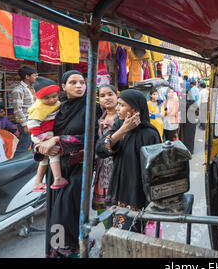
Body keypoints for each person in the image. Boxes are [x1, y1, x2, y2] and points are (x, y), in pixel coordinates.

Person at [37, 70, 102, 258]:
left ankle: (74, 248)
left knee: (66, 210)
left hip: (79, 166)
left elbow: (91, 138)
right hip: (57, 165)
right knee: (55, 209)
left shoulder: (92, 107)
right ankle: (58, 250)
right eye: (73, 82)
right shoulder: (58, 108)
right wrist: (44, 146)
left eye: (82, 82)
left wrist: (58, 140)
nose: (79, 86)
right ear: (63, 87)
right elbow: (41, 132)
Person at [95, 89, 161, 231]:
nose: (117, 108)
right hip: (119, 189)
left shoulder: (150, 134)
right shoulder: (119, 125)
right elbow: (100, 150)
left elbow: (155, 170)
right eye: (118, 104)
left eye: (122, 105)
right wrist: (122, 130)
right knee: (115, 231)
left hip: (137, 192)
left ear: (135, 109)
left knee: (132, 232)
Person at [27, 76, 67, 192]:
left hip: (45, 133)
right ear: (39, 98)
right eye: (46, 98)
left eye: (54, 96)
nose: (51, 100)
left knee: (44, 159)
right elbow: (32, 125)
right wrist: (43, 138)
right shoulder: (38, 108)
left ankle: (37, 182)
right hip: (41, 133)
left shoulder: (55, 103)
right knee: (54, 154)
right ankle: (58, 179)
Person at [92, 84, 117, 215]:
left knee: (119, 208)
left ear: (116, 95)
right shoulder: (99, 119)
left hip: (119, 167)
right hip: (103, 169)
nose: (106, 98)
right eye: (102, 96)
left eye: (110, 94)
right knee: (103, 210)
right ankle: (109, 231)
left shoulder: (124, 116)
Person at [12, 66, 38, 157]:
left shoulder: (31, 88)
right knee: (23, 147)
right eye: (34, 76)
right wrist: (25, 125)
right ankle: (14, 167)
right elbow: (17, 110)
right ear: (27, 76)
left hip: (33, 121)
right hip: (26, 122)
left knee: (31, 145)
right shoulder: (18, 90)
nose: (36, 78)